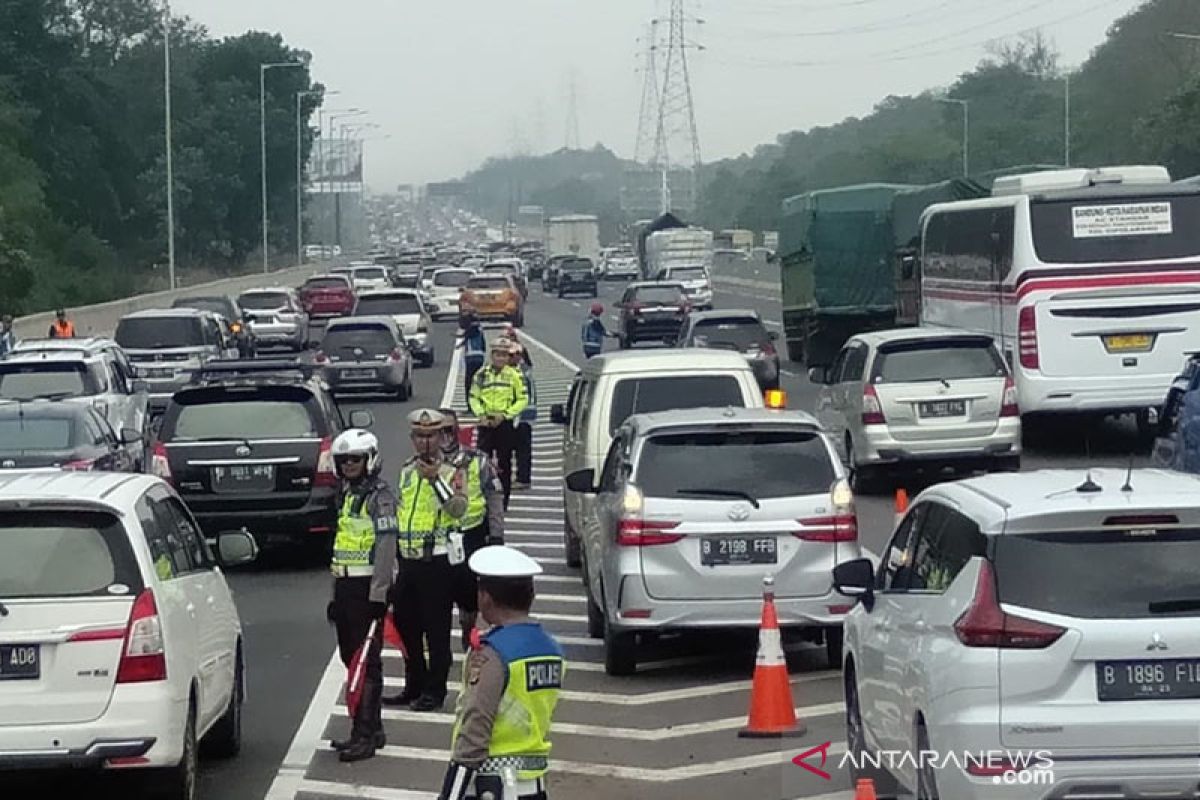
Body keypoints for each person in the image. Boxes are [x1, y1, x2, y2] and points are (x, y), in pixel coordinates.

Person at [436, 546, 565, 800]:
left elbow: (475, 728)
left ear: (486, 598)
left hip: (493, 787)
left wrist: (449, 794)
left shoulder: (493, 654)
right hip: (534, 786)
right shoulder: (551, 649)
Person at [326, 428, 398, 762]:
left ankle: (364, 735)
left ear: (369, 458)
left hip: (367, 588)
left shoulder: (379, 496)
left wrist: (378, 596)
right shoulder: (348, 494)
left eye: (355, 459)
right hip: (345, 588)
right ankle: (372, 728)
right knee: (350, 658)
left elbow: (385, 547)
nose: (349, 466)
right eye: (343, 461)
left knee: (365, 665)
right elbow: (343, 546)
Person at [391, 408, 469, 712]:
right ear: (413, 439)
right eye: (420, 436)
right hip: (408, 561)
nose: (425, 442)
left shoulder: (453, 470)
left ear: (441, 437)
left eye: (431, 435)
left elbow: (458, 508)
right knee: (406, 625)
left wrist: (436, 479)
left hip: (436, 562)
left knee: (436, 630)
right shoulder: (407, 470)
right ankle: (415, 684)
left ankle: (435, 690)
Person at [438, 408, 506, 651]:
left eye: (449, 429)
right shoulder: (422, 466)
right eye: (439, 430)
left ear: (457, 431)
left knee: (468, 595)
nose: (444, 435)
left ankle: (468, 630)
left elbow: (495, 495)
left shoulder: (478, 460)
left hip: (471, 535)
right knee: (438, 596)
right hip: (436, 539)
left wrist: (497, 534)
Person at [469, 338, 528, 509]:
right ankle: (482, 499)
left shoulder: (514, 375)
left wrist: (506, 415)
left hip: (504, 424)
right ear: (492, 355)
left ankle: (504, 501)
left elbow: (523, 399)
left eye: (504, 355)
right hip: (485, 423)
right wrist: (481, 414)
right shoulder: (481, 374)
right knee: (482, 462)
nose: (500, 359)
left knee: (504, 463)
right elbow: (473, 397)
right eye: (497, 355)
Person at [510, 342, 536, 491]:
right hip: (526, 414)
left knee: (522, 449)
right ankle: (522, 476)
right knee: (522, 448)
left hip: (522, 414)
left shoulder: (520, 373)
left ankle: (523, 478)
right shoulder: (526, 369)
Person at [459, 311, 487, 399]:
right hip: (480, 357)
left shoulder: (471, 329)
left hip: (471, 357)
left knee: (469, 381)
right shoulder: (479, 329)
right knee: (478, 380)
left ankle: (470, 401)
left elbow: (465, 337)